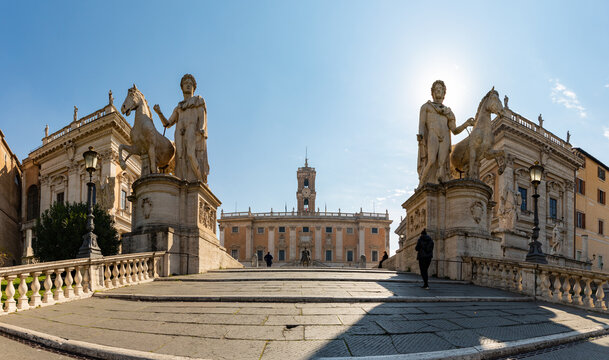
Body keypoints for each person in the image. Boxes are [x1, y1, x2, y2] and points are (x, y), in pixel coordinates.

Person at [154, 74, 209, 183]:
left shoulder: (198, 100)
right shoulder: (179, 107)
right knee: (180, 157)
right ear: (182, 87)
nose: (188, 85)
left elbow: (202, 117)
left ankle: (200, 180)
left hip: (192, 130)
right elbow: (168, 124)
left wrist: (202, 128)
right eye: (185, 84)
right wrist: (159, 113)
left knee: (190, 154)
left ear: (194, 87)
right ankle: (183, 183)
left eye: (190, 84)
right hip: (179, 133)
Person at [417, 80, 473, 187]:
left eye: (441, 89)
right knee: (432, 160)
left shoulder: (448, 112)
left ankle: (440, 186)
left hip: (445, 137)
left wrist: (466, 123)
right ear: (432, 92)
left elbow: (455, 131)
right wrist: (420, 135)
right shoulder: (426, 107)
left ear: (444, 93)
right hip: (433, 134)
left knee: (442, 164)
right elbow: (422, 124)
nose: (438, 90)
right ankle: (421, 185)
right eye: (436, 89)